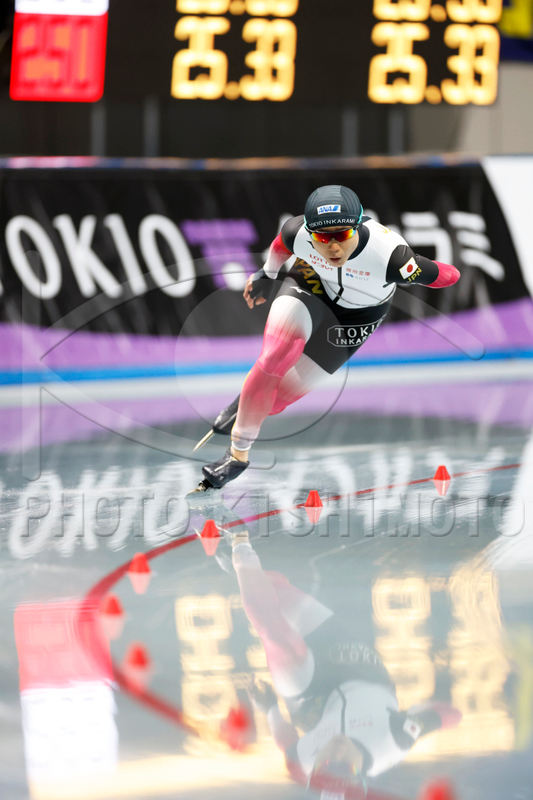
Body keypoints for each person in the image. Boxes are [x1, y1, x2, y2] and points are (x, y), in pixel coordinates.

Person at [190, 185, 460, 494]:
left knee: (276, 402)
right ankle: (237, 456)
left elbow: (450, 275)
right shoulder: (297, 232)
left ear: (357, 226)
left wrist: (423, 269)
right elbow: (282, 244)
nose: (333, 247)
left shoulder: (390, 257)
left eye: (342, 235)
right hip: (312, 285)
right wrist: (268, 274)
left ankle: (249, 400)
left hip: (358, 316)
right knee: (277, 354)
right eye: (322, 238)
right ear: (310, 232)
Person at [227, 531, 462, 798]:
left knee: (273, 632)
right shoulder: (394, 740)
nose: (336, 752)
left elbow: (287, 745)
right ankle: (260, 581)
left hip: (310, 700)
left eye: (326, 764)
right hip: (360, 669)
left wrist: (270, 709)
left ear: (314, 770)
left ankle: (240, 549)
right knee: (276, 593)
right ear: (360, 774)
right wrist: (434, 714)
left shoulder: (303, 763)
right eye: (345, 767)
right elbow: (448, 715)